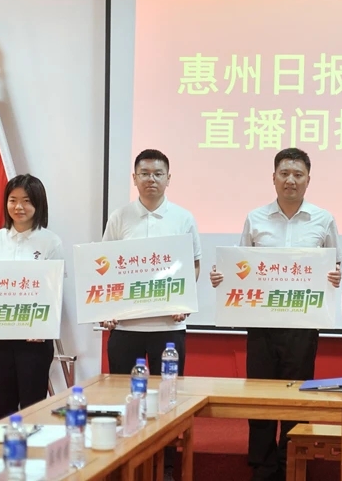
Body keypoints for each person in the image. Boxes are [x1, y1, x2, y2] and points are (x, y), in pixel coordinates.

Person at [210, 147, 341, 481]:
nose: (290, 180)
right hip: (262, 324)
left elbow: (335, 266)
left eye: (298, 174)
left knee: (297, 397)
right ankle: (262, 466)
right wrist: (222, 277)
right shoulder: (255, 218)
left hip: (303, 325)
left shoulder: (323, 220)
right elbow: (239, 264)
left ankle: (292, 462)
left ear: (308, 179)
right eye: (284, 173)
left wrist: (335, 275)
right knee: (260, 396)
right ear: (273, 178)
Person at [101, 149, 201, 481]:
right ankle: (125, 463)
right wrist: (107, 309)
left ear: (169, 178)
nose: (151, 179)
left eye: (158, 174)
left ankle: (166, 467)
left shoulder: (183, 218)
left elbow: (194, 265)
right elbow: (105, 266)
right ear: (134, 178)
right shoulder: (120, 217)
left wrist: (184, 300)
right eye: (144, 173)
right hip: (126, 328)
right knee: (125, 398)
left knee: (167, 402)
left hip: (168, 328)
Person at [0, 174, 64, 421]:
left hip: (34, 338)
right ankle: (5, 446)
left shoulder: (50, 241)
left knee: (33, 406)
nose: (19, 206)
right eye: (13, 200)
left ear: (39, 204)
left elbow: (55, 290)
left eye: (27, 201)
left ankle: (33, 447)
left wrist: (44, 327)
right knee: (2, 406)